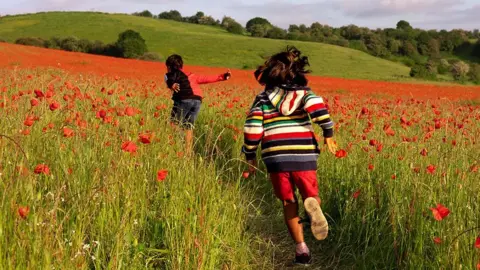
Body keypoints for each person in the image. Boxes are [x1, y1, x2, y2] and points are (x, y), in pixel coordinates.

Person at [242, 46, 337, 266]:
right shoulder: (305, 95)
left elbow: (253, 128)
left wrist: (250, 154)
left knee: (288, 201)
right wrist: (328, 134)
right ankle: (313, 205)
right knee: (310, 194)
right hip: (304, 156)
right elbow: (318, 109)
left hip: (276, 157)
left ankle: (301, 249)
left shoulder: (263, 99)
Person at [165, 54, 231, 153]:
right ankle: (188, 152)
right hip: (197, 101)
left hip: (184, 99)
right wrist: (223, 76)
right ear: (182, 65)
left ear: (169, 66)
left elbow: (170, 79)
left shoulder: (172, 73)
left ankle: (181, 139)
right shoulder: (192, 75)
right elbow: (207, 78)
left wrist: (172, 85)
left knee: (173, 124)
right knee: (189, 127)